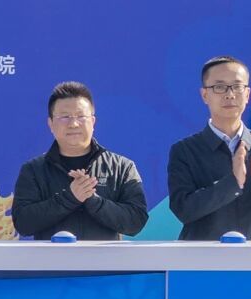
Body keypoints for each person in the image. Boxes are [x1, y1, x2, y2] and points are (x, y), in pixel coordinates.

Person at [166, 55, 251, 240]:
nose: (230, 94)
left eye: (237, 86)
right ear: (205, 95)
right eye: (219, 87)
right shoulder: (185, 150)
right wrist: (233, 182)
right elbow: (183, 210)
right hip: (202, 255)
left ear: (247, 94)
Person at [10, 80, 149, 240]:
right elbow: (23, 223)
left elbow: (136, 221)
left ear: (93, 122)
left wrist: (93, 201)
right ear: (51, 124)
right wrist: (70, 197)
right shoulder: (33, 170)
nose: (74, 124)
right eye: (65, 117)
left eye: (81, 116)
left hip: (104, 257)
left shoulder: (121, 167)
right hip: (52, 257)